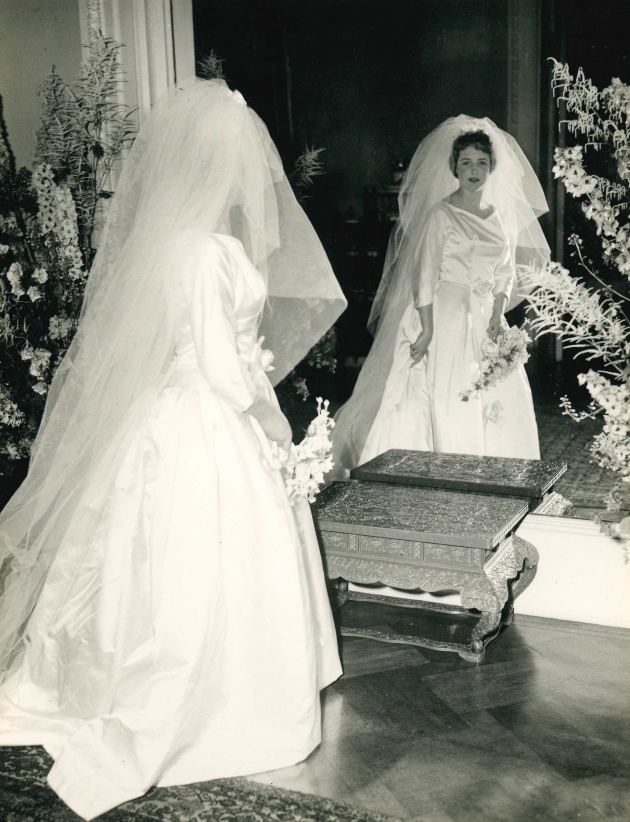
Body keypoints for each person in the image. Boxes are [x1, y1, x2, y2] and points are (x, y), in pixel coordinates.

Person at [0, 79, 346, 821]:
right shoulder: (206, 250)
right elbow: (224, 365)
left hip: (171, 412)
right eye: (244, 161)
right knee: (206, 556)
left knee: (158, 553)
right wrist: (273, 420)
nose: (255, 177)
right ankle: (232, 693)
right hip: (211, 414)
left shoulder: (173, 243)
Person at [332, 116, 550, 474]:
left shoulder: (496, 217)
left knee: (498, 394)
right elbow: (425, 274)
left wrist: (498, 313)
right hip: (444, 315)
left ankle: (494, 474)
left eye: (481, 162)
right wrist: (428, 329)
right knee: (451, 393)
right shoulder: (441, 215)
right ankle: (454, 469)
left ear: (491, 167)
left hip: (484, 318)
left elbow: (505, 271)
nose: (474, 170)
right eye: (466, 162)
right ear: (454, 168)